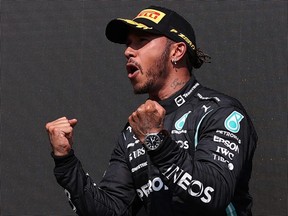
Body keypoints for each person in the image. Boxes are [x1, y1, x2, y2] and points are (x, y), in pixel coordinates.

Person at [46, 5, 257, 216]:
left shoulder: (220, 112)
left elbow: (214, 194)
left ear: (176, 51)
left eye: (141, 41)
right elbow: (111, 210)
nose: (128, 51)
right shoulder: (134, 129)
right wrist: (66, 162)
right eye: (128, 43)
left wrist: (155, 140)